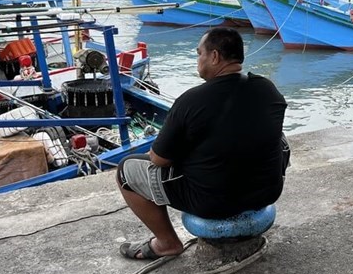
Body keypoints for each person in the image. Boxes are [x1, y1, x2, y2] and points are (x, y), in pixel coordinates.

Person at [116, 27, 287, 260]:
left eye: (199, 54)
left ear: (214, 57)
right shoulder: (268, 89)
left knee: (126, 169)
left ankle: (166, 243)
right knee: (281, 139)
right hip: (267, 192)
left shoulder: (191, 100)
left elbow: (158, 159)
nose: (197, 60)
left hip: (212, 202)